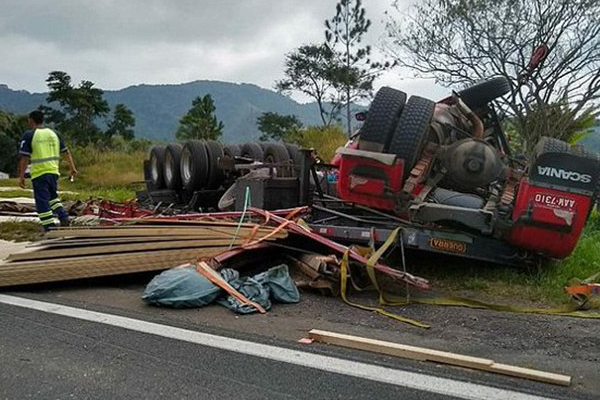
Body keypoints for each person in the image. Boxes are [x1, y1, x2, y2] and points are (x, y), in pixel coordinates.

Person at [18, 110, 77, 231]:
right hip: (54, 172)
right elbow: (66, 152)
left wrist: (21, 176)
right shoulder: (54, 134)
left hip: (39, 173)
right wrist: (73, 168)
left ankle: (49, 227)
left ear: (31, 120)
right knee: (53, 198)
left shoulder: (29, 135)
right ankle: (63, 216)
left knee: (42, 201)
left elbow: (24, 158)